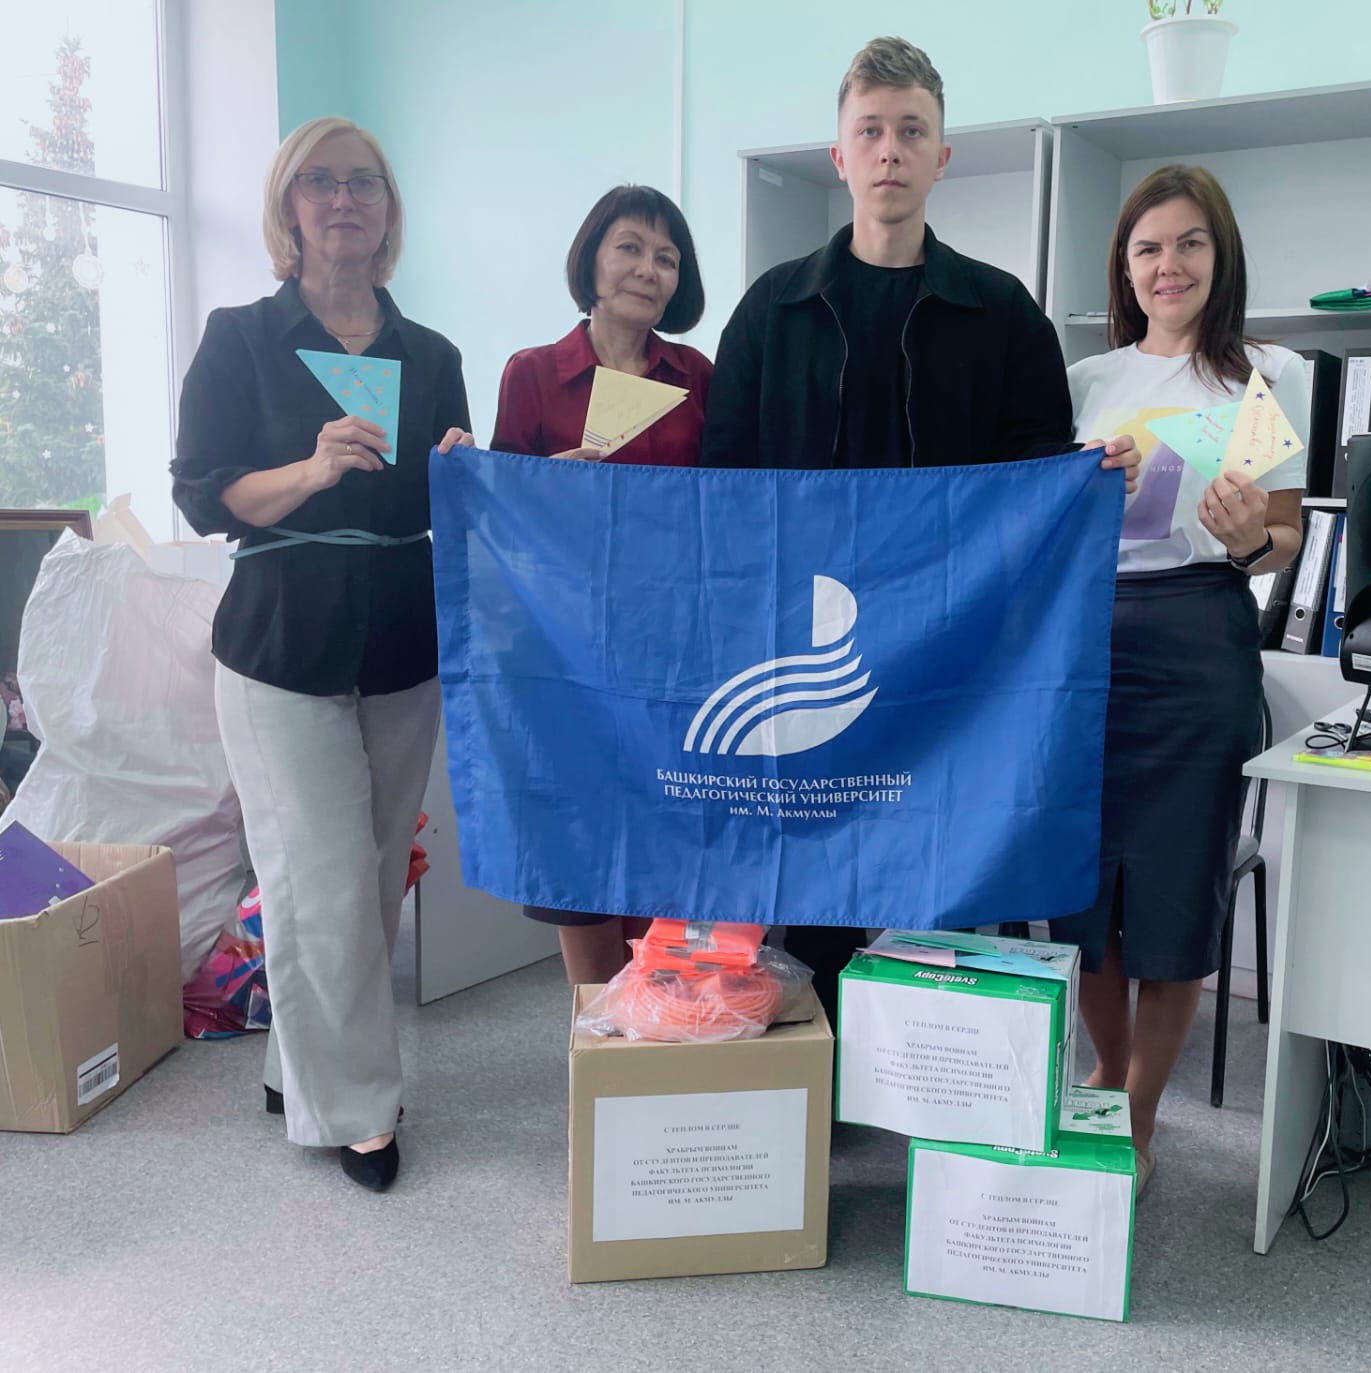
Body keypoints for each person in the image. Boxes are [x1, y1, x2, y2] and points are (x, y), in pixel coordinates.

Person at [701, 36, 1141, 1024]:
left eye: (911, 131)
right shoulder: (771, 310)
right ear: (840, 156)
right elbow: (722, 486)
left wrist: (1087, 475)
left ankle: (926, 1080)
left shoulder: (1002, 312)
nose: (890, 150)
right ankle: (816, 1081)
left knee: (938, 887)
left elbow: (1037, 480)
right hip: (811, 646)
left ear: (942, 157)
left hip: (954, 654)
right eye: (870, 131)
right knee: (812, 890)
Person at [171, 116, 470, 1192]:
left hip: (401, 638)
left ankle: (293, 1061)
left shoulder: (431, 356)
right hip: (278, 642)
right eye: (321, 182)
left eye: (364, 183)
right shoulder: (239, 338)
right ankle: (358, 1111)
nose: (344, 199)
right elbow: (203, 494)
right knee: (321, 879)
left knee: (375, 876)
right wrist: (308, 470)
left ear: (388, 210)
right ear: (288, 207)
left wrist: (463, 468)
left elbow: (442, 501)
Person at [1048, 164, 1309, 1197]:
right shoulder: (1084, 379)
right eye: (1148, 246)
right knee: (1087, 892)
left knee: (1173, 886)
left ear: (1219, 255)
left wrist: (1249, 540)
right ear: (1124, 265)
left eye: (1190, 242)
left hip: (1201, 636)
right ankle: (1104, 1071)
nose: (1169, 264)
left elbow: (1283, 535)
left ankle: (1142, 1110)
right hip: (1086, 642)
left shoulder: (1262, 377)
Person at [439, 184, 711, 985]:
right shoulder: (532, 374)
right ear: (591, 259)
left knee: (664, 841)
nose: (648, 269)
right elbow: (501, 525)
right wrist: (540, 486)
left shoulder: (699, 376)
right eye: (630, 247)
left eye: (667, 257)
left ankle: (656, 1026)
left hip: (669, 651)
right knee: (580, 845)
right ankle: (594, 1030)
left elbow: (723, 507)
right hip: (563, 652)